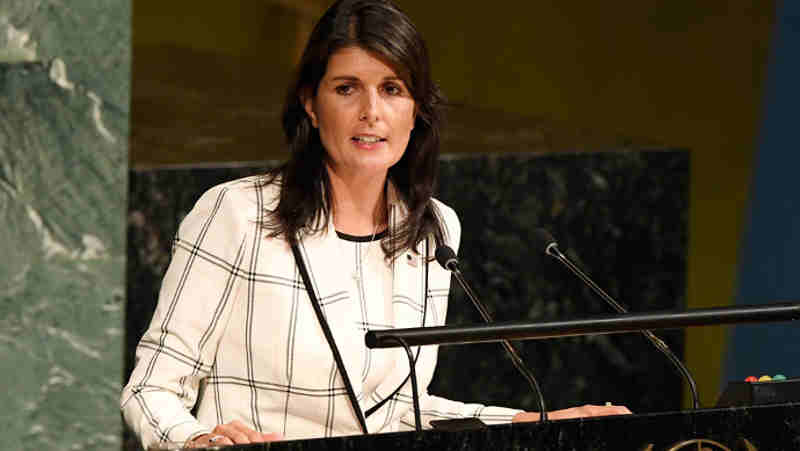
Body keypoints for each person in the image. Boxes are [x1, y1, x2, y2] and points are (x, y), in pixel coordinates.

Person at [121, 0, 629, 449]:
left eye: (392, 89)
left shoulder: (433, 227)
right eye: (347, 88)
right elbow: (150, 389)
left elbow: (396, 411)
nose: (371, 112)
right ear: (311, 105)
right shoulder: (237, 214)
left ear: (416, 110)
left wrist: (531, 422)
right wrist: (195, 441)